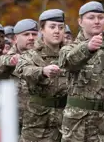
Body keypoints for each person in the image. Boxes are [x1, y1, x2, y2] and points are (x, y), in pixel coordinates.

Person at [59, 1, 104, 142]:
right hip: (80, 123)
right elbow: (68, 62)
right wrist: (87, 48)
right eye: (91, 17)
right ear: (80, 21)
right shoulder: (70, 48)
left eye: (100, 17)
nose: (96, 21)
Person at [14, 9, 70, 142]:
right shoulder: (31, 54)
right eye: (52, 27)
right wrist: (42, 71)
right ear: (42, 30)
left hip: (67, 122)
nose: (57, 31)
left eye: (61, 27)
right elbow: (22, 69)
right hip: (38, 124)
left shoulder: (70, 53)